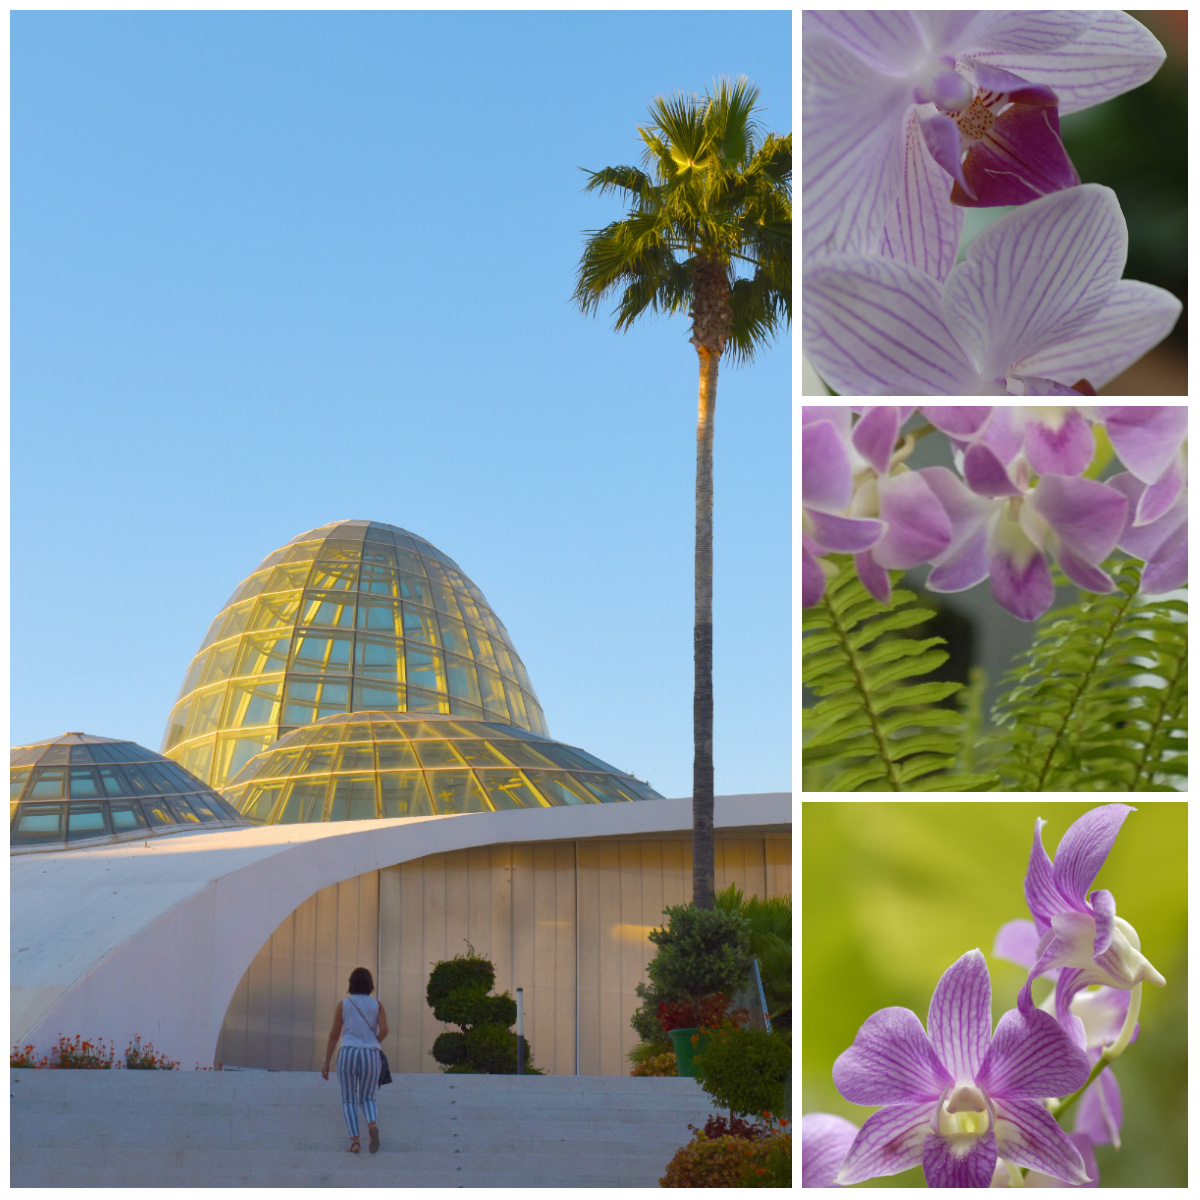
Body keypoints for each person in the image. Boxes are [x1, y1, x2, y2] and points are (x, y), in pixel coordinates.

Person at [322, 966, 389, 1153]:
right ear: (370, 985)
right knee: (368, 1097)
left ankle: (355, 1142)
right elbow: (384, 1030)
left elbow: (335, 1034)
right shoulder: (377, 1005)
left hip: (348, 1053)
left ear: (351, 984)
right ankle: (372, 1124)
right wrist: (372, 1042)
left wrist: (327, 1060)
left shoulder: (344, 1005)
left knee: (349, 1099)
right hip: (370, 1055)